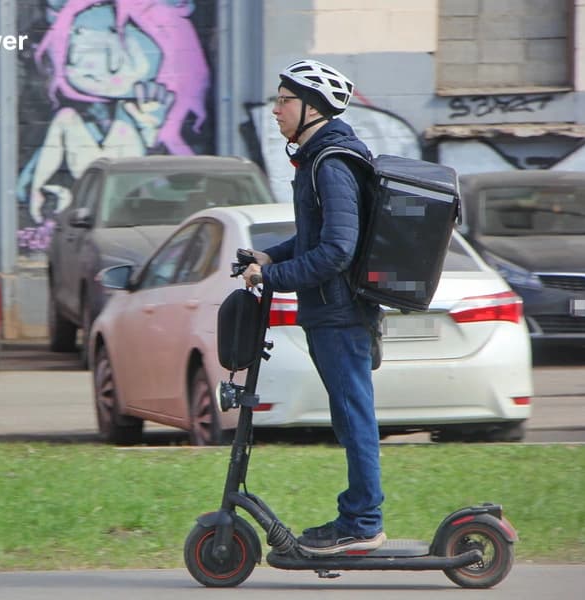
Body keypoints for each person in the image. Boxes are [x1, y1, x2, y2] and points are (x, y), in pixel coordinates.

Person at [241, 59, 385, 555]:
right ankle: (360, 517)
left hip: (341, 314)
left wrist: (273, 277)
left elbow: (338, 250)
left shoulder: (332, 164)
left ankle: (363, 523)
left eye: (285, 100)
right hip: (333, 311)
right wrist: (270, 257)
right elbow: (314, 237)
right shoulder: (318, 159)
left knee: (354, 417)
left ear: (313, 108)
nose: (275, 109)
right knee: (350, 417)